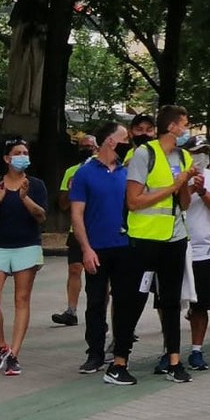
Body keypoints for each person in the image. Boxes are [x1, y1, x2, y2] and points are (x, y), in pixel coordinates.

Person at [126, 104, 197, 383]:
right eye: (185, 124)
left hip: (174, 237)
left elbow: (186, 202)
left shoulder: (185, 155)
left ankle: (174, 360)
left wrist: (187, 185)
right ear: (172, 127)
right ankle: (120, 359)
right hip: (145, 238)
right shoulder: (145, 154)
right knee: (135, 299)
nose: (187, 129)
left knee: (170, 302)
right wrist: (174, 184)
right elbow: (133, 200)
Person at [71, 123, 143, 381]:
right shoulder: (85, 173)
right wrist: (86, 248)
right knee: (96, 301)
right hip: (97, 248)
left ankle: (122, 350)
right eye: (125, 138)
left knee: (125, 301)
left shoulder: (129, 173)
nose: (129, 143)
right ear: (111, 141)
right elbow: (77, 214)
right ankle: (95, 353)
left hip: (125, 246)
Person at [0, 139, 48, 376]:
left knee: (21, 300)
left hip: (26, 247)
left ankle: (14, 354)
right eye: (17, 153)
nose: (22, 157)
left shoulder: (36, 185)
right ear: (6, 159)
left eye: (25, 153)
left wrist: (25, 198)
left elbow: (41, 216)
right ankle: (0, 345)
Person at [183, 139, 210, 372]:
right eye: (196, 152)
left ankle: (196, 350)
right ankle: (168, 351)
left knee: (200, 305)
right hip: (177, 246)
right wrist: (188, 187)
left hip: (205, 250)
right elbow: (177, 204)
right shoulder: (176, 177)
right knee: (167, 303)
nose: (201, 157)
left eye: (205, 153)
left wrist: (203, 191)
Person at [52, 134, 97, 327]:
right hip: (77, 229)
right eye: (82, 146)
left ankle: (98, 311)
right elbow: (62, 205)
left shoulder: (102, 169)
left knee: (98, 274)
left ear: (97, 147)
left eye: (89, 146)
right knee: (74, 268)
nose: (85, 149)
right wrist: (70, 188)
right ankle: (71, 311)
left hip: (98, 228)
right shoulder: (71, 171)